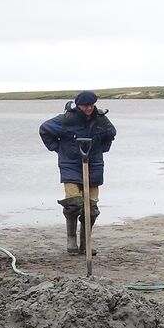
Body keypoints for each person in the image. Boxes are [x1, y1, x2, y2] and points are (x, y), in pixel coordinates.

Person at [39, 91, 117, 255]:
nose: (88, 108)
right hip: (70, 166)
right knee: (73, 203)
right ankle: (71, 241)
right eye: (85, 106)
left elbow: (111, 134)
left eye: (91, 105)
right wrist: (58, 148)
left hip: (94, 165)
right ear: (78, 105)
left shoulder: (101, 119)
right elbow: (44, 129)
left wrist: (102, 149)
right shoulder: (66, 119)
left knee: (91, 208)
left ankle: (85, 243)